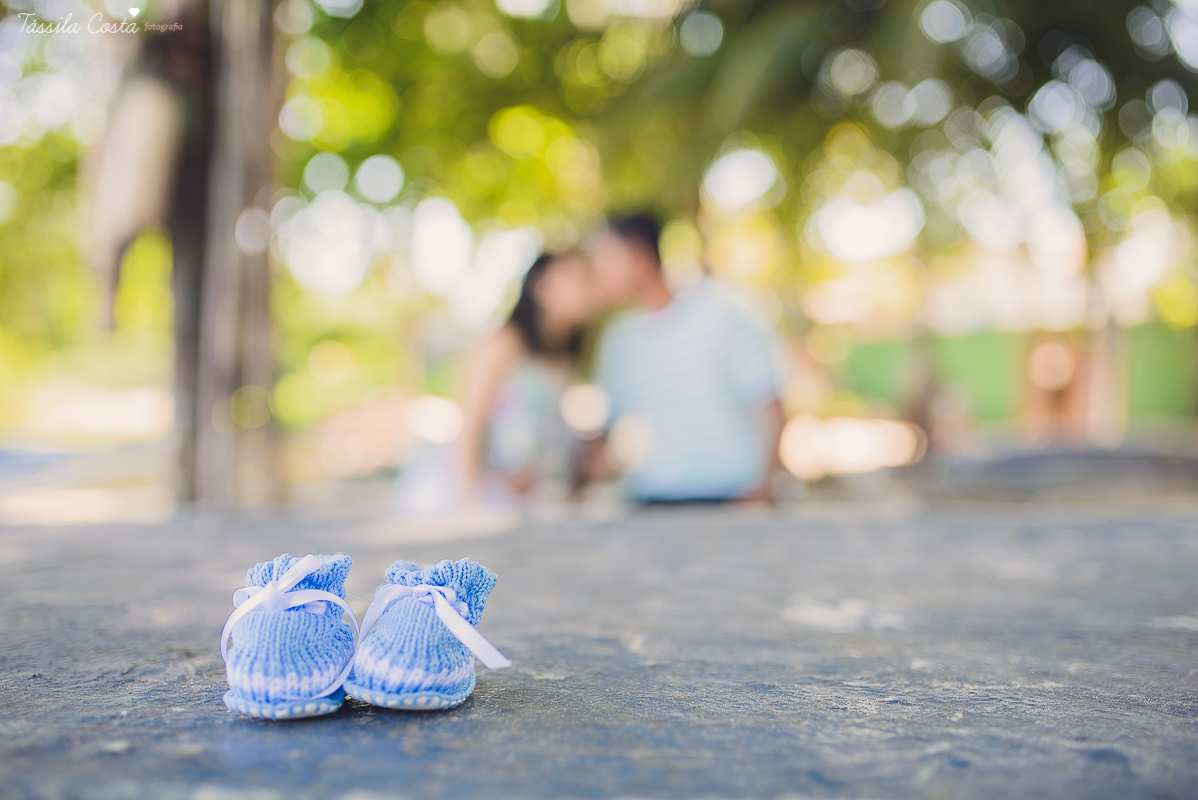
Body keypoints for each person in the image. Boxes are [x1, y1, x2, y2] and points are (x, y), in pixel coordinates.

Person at [589, 213, 785, 504]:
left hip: (731, 496)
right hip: (652, 500)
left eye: (605, 257)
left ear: (638, 256)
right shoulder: (617, 341)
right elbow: (610, 435)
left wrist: (764, 489)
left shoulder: (721, 314)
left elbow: (770, 407)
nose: (596, 270)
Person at [390, 251, 594, 516]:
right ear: (540, 285)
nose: (585, 288)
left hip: (521, 504)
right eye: (574, 277)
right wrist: (467, 507)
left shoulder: (564, 359)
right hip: (469, 494)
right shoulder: (503, 343)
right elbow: (470, 427)